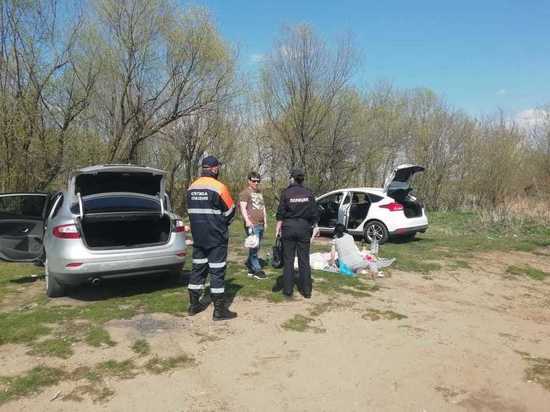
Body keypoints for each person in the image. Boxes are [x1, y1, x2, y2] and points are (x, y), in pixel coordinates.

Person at [186, 155, 237, 320]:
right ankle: (219, 310)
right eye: (218, 167)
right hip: (216, 237)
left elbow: (191, 211)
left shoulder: (191, 187)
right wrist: (221, 223)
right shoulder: (219, 187)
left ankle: (194, 305)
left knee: (197, 270)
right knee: (217, 272)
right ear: (214, 169)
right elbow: (230, 211)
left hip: (198, 237)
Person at [275, 167, 320, 299]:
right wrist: (314, 225)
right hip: (304, 227)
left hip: (288, 227)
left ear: (292, 179)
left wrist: (278, 228)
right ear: (302, 179)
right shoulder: (309, 193)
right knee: (304, 260)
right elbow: (315, 213)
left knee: (288, 260)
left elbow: (280, 213)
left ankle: (288, 290)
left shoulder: (286, 193)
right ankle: (306, 290)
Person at [239, 171, 267, 279]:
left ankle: (250, 267)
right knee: (254, 246)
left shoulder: (259, 192)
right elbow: (243, 208)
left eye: (258, 181)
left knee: (256, 246)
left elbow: (262, 207)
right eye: (253, 181)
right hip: (252, 224)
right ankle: (257, 270)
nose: (256, 183)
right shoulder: (245, 193)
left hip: (260, 223)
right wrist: (247, 221)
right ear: (249, 181)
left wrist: (265, 220)